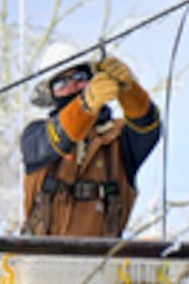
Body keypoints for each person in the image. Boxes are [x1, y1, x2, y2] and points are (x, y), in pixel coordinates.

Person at [21, 48, 161, 237]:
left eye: (79, 77)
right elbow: (57, 137)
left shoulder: (119, 139)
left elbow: (147, 127)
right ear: (51, 94)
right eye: (62, 83)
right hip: (44, 258)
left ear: (92, 80)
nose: (72, 86)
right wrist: (85, 106)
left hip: (103, 260)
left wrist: (130, 92)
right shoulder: (35, 135)